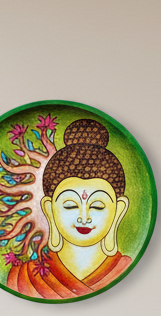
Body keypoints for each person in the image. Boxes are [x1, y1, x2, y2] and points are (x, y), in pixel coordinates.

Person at [7, 118, 132, 299]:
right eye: (70, 205)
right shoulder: (21, 278)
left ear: (118, 210)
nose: (84, 217)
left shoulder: (124, 272)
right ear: (49, 209)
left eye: (97, 206)